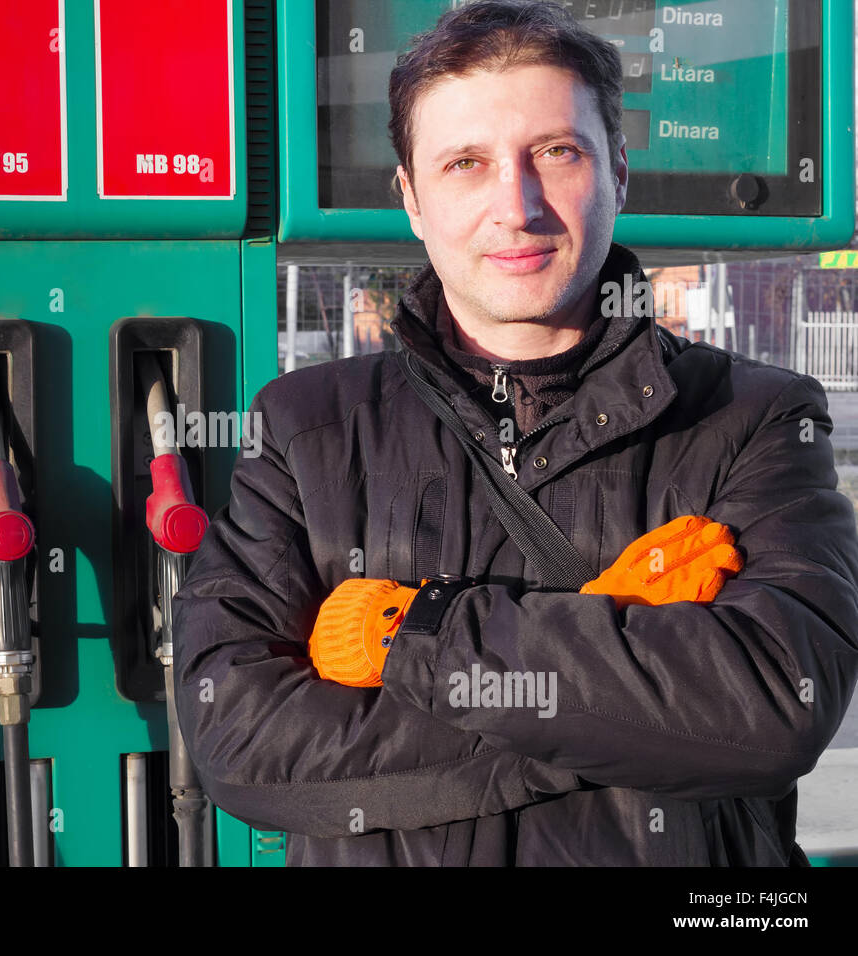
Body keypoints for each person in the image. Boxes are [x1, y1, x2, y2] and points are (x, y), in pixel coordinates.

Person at [171, 0, 858, 865]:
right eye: (466, 163)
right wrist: (626, 701)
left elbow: (772, 708)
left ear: (619, 175)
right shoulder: (307, 431)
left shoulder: (756, 419)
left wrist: (408, 632)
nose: (517, 204)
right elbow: (240, 745)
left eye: (557, 153)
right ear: (412, 199)